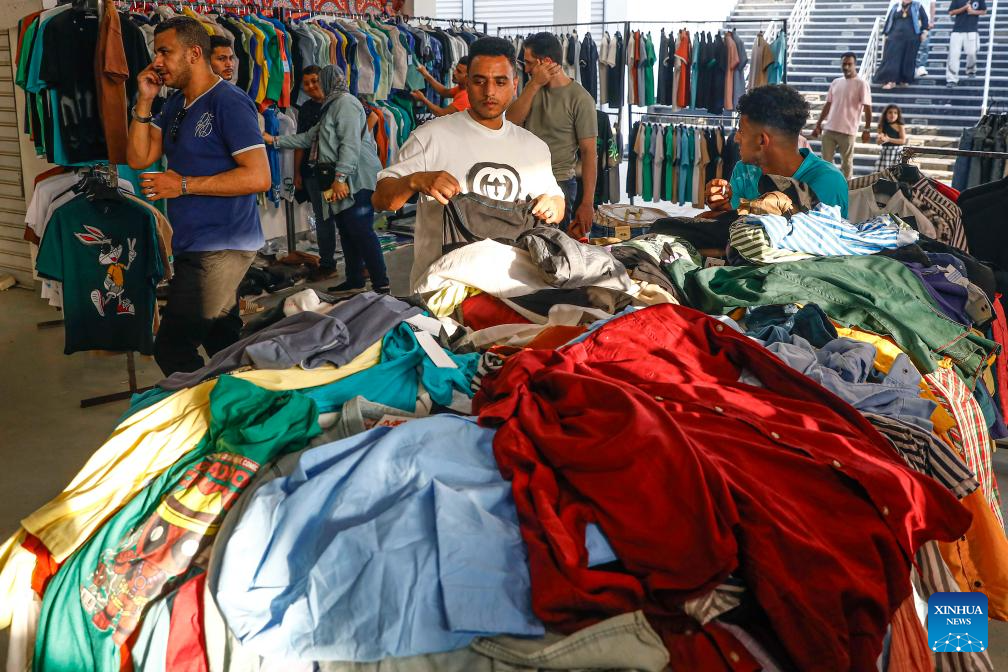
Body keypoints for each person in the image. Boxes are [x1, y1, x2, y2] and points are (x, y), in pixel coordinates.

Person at [126, 17, 271, 376]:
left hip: (222, 246)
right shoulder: (176, 103)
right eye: (156, 53)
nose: (157, 61)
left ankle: (206, 406)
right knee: (226, 345)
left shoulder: (229, 102)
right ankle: (248, 399)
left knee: (173, 348)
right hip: (196, 243)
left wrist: (183, 185)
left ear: (193, 53)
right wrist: (144, 101)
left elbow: (259, 176)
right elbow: (139, 158)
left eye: (165, 52)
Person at [372, 37, 566, 289]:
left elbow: (557, 202)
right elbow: (381, 200)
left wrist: (552, 205)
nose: (489, 92)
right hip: (443, 294)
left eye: (500, 82)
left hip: (516, 291)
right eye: (479, 81)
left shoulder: (534, 147)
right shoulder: (430, 137)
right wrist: (415, 180)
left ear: (515, 84)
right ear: (467, 83)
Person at [264, 65, 389, 295]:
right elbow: (308, 138)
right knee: (347, 230)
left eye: (320, 81)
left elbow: (350, 144)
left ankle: (381, 283)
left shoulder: (346, 103)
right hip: (339, 180)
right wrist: (274, 140)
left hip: (356, 179)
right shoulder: (331, 107)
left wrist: (340, 178)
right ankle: (354, 279)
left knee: (361, 230)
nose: (317, 86)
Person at [705, 84, 849, 217]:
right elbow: (733, 223)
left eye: (741, 132)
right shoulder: (744, 171)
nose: (736, 138)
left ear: (762, 140)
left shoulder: (828, 182)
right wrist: (722, 208)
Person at [505, 32, 598, 237]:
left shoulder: (581, 99)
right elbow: (509, 123)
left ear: (546, 62)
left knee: (552, 247)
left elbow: (589, 153)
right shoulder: (532, 88)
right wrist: (534, 85)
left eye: (530, 63)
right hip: (523, 180)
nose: (526, 69)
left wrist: (587, 203)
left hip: (559, 184)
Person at [812, 52, 873, 179]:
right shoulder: (836, 82)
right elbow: (828, 104)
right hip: (829, 129)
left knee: (846, 164)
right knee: (825, 162)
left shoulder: (861, 84)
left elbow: (867, 108)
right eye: (844, 64)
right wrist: (818, 124)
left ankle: (846, 188)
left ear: (855, 65)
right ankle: (828, 184)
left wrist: (867, 129)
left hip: (848, 131)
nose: (846, 67)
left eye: (849, 64)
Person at [876, 1, 930, 89]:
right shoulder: (896, 6)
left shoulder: (917, 6)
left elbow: (925, 20)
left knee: (908, 60)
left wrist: (924, 32)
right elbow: (889, 20)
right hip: (895, 36)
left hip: (911, 37)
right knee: (892, 59)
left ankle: (904, 80)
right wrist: (886, 33)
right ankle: (891, 81)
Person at [292, 65, 325, 206]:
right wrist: (296, 173)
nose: (310, 86)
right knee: (320, 214)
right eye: (306, 83)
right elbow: (300, 142)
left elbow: (372, 116)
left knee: (340, 213)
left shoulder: (338, 101)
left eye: (314, 81)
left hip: (336, 170)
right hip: (312, 171)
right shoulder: (305, 108)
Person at [946, 0, 987, 87]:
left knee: (972, 52)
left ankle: (971, 70)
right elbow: (951, 12)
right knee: (953, 55)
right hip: (957, 31)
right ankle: (952, 79)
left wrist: (972, 12)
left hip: (972, 30)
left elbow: (984, 11)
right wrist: (964, 8)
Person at [877, 104, 908, 169]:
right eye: (890, 112)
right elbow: (878, 142)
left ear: (898, 115)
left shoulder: (900, 126)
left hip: (897, 152)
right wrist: (881, 139)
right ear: (885, 114)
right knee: (883, 172)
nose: (892, 115)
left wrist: (889, 139)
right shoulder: (881, 125)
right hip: (885, 152)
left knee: (895, 171)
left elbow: (903, 141)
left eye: (895, 113)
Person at [915, 0, 937, 77]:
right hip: (911, 20)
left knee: (924, 45)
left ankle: (921, 66)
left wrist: (931, 21)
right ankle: (913, 66)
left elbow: (932, 5)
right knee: (911, 45)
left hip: (925, 20)